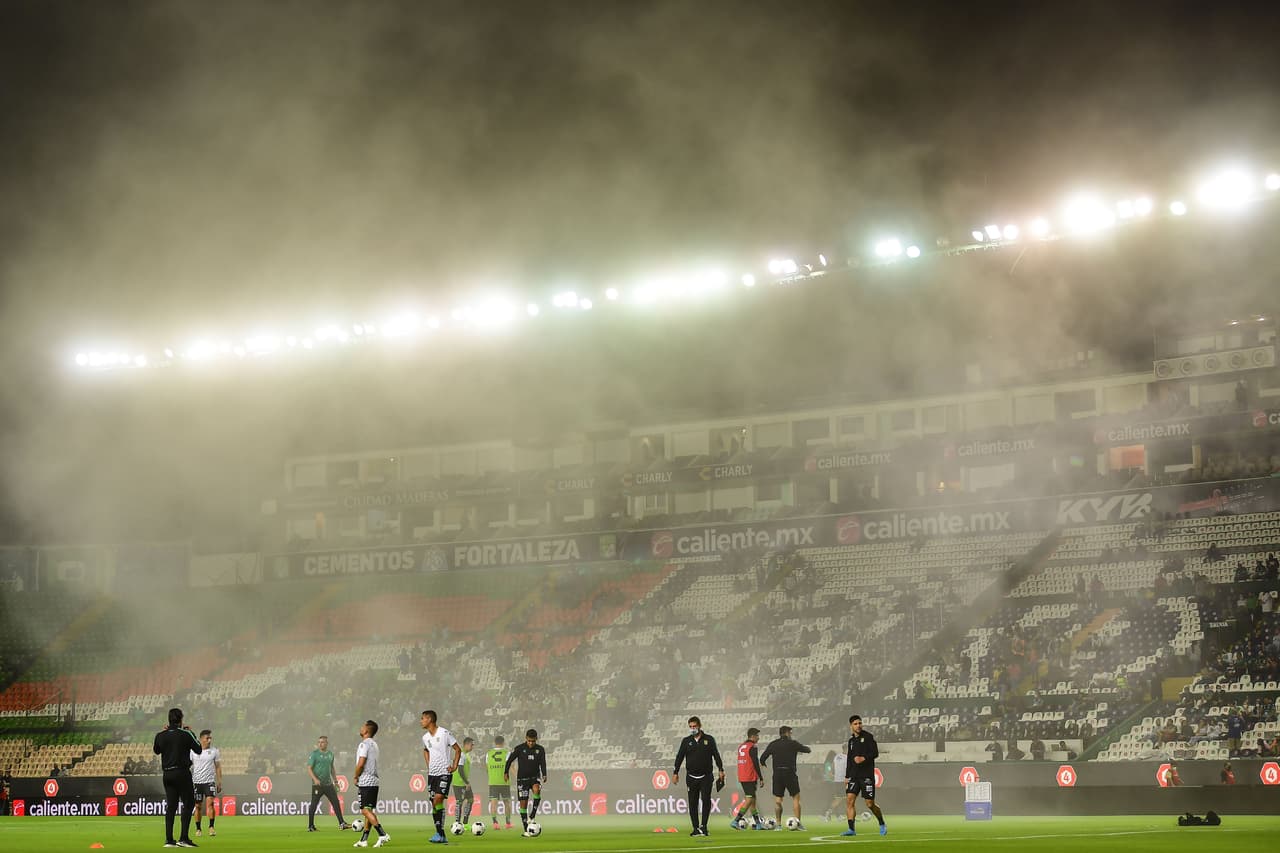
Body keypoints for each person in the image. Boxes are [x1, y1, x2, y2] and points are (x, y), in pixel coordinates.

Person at [153, 707, 201, 848]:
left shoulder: (160, 735)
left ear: (169, 720)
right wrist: (191, 732)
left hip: (167, 774)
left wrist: (166, 732)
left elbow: (156, 750)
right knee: (189, 803)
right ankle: (183, 838)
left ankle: (169, 840)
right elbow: (198, 749)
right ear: (181, 719)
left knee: (171, 806)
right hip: (182, 772)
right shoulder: (186, 734)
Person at [672, 715, 725, 838]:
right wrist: (675, 773)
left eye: (694, 726)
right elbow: (679, 757)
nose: (692, 728)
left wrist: (721, 770)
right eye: (690, 727)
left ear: (699, 726)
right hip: (691, 777)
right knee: (692, 803)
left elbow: (716, 755)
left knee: (706, 800)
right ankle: (695, 828)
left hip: (706, 776)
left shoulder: (709, 739)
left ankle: (704, 827)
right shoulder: (686, 741)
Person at [420, 710, 461, 844]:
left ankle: (440, 833)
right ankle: (440, 833)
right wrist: (429, 764)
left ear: (430, 719)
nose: (421, 721)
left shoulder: (444, 733)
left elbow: (457, 749)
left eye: (423, 719)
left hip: (444, 772)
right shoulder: (425, 737)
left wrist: (454, 765)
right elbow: (425, 750)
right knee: (434, 802)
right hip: (432, 774)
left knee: (438, 799)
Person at [841, 715, 886, 837]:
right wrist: (847, 776)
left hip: (866, 776)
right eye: (855, 723)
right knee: (849, 801)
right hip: (854, 776)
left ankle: (881, 823)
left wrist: (863, 758)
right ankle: (851, 829)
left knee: (870, 804)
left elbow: (875, 753)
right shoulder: (851, 741)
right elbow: (850, 760)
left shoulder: (868, 737)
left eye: (860, 723)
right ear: (851, 726)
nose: (858, 725)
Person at [760, 725, 811, 831]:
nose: (791, 735)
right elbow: (807, 750)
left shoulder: (773, 744)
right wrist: (800, 749)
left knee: (778, 801)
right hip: (790, 773)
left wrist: (765, 766)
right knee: (796, 798)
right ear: (787, 733)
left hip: (777, 773)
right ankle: (798, 823)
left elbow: (762, 758)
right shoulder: (793, 743)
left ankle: (778, 825)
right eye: (790, 733)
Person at [352, 720, 390, 848]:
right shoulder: (374, 745)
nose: (360, 728)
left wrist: (356, 776)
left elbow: (361, 763)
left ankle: (382, 834)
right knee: (369, 810)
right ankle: (364, 839)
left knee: (364, 810)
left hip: (366, 780)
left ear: (367, 730)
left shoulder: (364, 744)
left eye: (363, 726)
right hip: (374, 780)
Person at [504, 728, 548, 837]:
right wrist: (506, 772)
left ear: (536, 739)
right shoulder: (519, 748)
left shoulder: (540, 749)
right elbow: (510, 760)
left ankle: (532, 815)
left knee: (537, 790)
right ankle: (526, 829)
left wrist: (544, 774)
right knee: (523, 804)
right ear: (526, 739)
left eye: (533, 741)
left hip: (534, 777)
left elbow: (543, 763)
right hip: (522, 780)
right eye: (529, 741)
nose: (531, 743)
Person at [307, 735, 350, 832]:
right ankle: (310, 826)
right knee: (314, 804)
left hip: (328, 784)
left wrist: (335, 781)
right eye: (319, 742)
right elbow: (309, 768)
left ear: (327, 743)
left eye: (322, 742)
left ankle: (342, 823)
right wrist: (315, 779)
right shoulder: (314, 754)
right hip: (318, 785)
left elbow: (332, 768)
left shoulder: (330, 754)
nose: (320, 744)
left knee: (336, 802)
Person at [729, 727, 766, 830]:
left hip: (742, 775)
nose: (758, 738)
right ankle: (736, 820)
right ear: (753, 736)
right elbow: (755, 763)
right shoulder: (752, 746)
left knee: (753, 800)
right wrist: (761, 777)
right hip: (750, 776)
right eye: (757, 736)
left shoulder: (742, 746)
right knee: (749, 799)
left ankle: (758, 824)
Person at [191, 730, 222, 837]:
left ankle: (211, 827)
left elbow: (218, 767)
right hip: (197, 782)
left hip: (209, 782)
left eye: (210, 738)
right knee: (198, 806)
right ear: (201, 739)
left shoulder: (214, 751)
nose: (209, 740)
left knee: (210, 804)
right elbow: (188, 765)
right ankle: (198, 828)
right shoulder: (193, 751)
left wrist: (219, 781)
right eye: (207, 738)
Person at [485, 734, 514, 831]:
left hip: (493, 782)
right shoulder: (507, 753)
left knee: (493, 803)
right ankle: (508, 823)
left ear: (495, 743)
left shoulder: (488, 753)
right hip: (504, 781)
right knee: (507, 802)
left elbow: (486, 768)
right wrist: (518, 778)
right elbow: (512, 767)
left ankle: (495, 823)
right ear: (503, 743)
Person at [452, 737, 476, 828]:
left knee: (470, 799)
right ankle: (457, 823)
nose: (472, 747)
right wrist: (466, 782)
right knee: (459, 802)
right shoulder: (461, 754)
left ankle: (465, 823)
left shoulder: (466, 755)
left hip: (464, 782)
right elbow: (460, 769)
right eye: (471, 745)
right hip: (459, 783)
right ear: (466, 744)